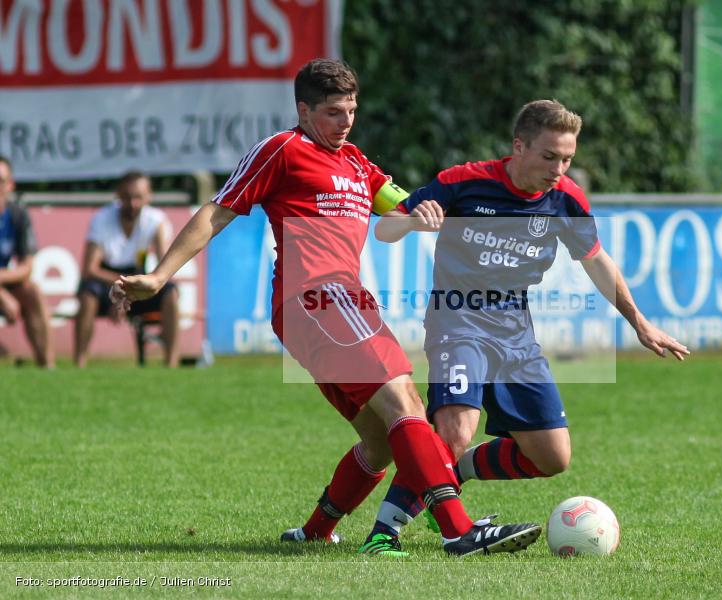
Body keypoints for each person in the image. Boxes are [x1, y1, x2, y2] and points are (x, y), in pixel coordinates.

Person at [111, 59, 541, 556]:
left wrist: (427, 213)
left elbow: (399, 208)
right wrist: (160, 277)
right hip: (319, 297)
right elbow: (217, 209)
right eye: (334, 112)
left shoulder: (358, 163)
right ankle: (459, 530)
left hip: (331, 306)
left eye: (351, 111)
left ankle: (315, 531)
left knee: (380, 439)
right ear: (304, 109)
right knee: (408, 406)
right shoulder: (283, 149)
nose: (346, 121)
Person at [360, 100, 689, 555]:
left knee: (552, 456)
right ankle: (384, 532)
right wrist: (415, 220)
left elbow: (596, 261)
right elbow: (385, 230)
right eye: (549, 156)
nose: (559, 169)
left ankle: (453, 474)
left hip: (516, 334)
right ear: (519, 146)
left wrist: (640, 323)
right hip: (458, 321)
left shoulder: (566, 199)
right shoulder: (465, 181)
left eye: (567, 158)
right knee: (455, 430)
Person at [74, 171, 180, 368]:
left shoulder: (156, 221)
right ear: (118, 196)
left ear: (149, 197)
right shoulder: (101, 219)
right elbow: (90, 269)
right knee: (88, 296)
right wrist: (121, 287)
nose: (132, 204)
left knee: (170, 293)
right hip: (105, 281)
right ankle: (80, 363)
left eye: (138, 198)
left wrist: (134, 289)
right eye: (127, 197)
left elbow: (164, 265)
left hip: (136, 278)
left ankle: (171, 363)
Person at [0, 155, 55, 368]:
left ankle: (47, 367)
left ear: (10, 185)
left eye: (1, 181)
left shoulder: (18, 215)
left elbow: (26, 267)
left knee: (33, 293)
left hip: (4, 282)